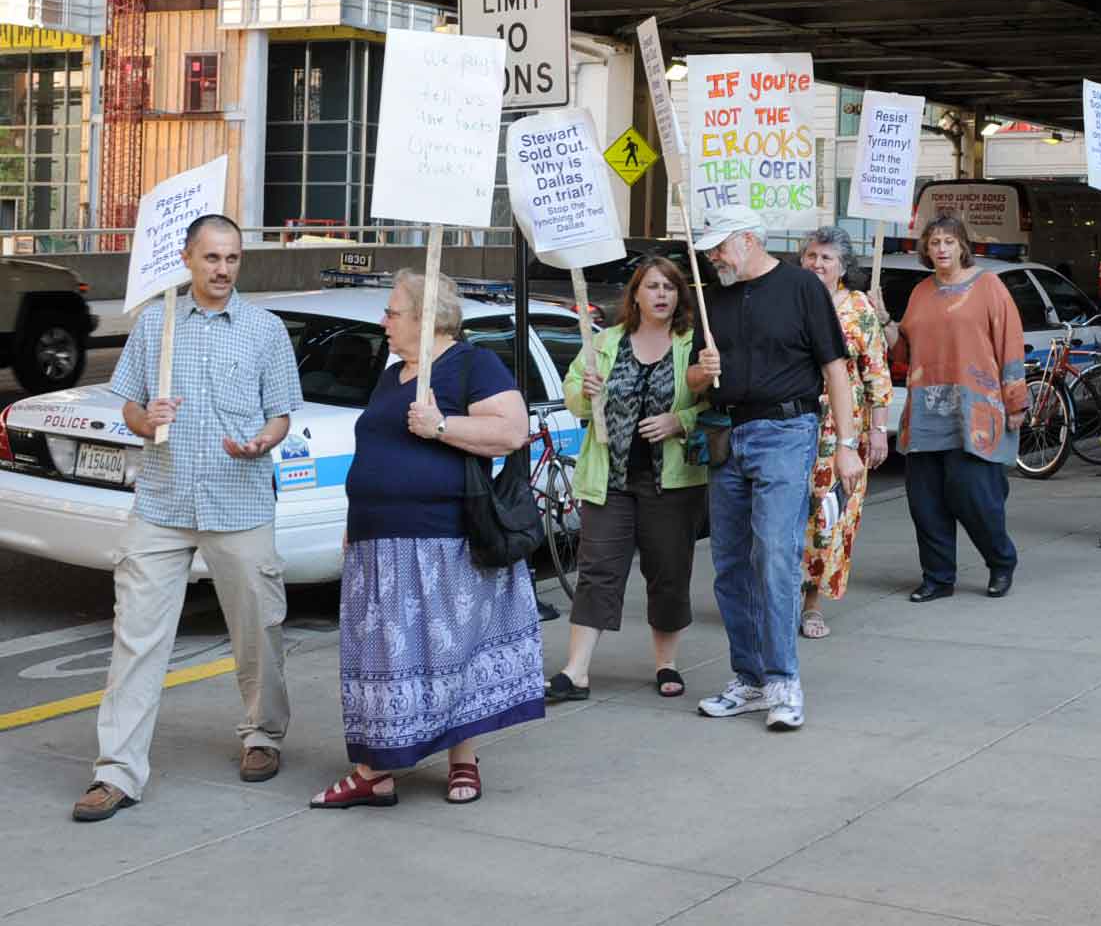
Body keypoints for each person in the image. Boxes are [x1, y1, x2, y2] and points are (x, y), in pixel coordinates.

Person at [73, 214, 304, 822]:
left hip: (241, 503)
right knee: (137, 638)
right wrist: (145, 419)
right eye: (211, 258)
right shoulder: (157, 322)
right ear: (188, 258)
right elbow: (128, 405)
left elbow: (281, 415)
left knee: (259, 629)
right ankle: (117, 771)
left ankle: (262, 735)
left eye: (231, 259)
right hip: (162, 502)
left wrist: (261, 440)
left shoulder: (264, 329)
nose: (222, 270)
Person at [309, 270, 542, 809]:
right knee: (386, 660)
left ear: (427, 317)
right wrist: (355, 517)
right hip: (378, 541)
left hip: (441, 540)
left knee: (451, 653)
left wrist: (440, 426)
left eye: (393, 312)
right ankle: (381, 768)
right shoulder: (393, 375)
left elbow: (511, 430)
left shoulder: (471, 364)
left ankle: (456, 761)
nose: (384, 321)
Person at [688, 205, 862, 731]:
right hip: (725, 432)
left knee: (776, 553)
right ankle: (751, 678)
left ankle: (783, 678)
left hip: (787, 430)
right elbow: (694, 380)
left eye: (720, 244)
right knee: (730, 561)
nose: (713, 254)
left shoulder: (801, 288)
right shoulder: (710, 295)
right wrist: (701, 371)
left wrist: (848, 442)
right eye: (711, 246)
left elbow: (835, 368)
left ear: (749, 240)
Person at [545, 257, 708, 703]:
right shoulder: (606, 341)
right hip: (609, 479)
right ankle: (576, 671)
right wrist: (586, 392)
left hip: (672, 481)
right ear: (635, 294)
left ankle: (666, 663)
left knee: (669, 571)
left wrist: (680, 421)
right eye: (652, 286)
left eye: (669, 287)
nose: (661, 295)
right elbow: (575, 399)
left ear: (680, 296)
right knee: (597, 571)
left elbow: (718, 405)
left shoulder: (694, 344)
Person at [873, 215, 1025, 603]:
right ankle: (938, 577)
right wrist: (884, 318)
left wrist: (1015, 401)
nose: (941, 248)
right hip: (925, 412)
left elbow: (1010, 344)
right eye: (934, 242)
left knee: (975, 497)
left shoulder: (989, 286)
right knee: (925, 503)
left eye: (948, 241)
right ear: (926, 249)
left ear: (962, 247)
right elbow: (903, 351)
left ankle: (1000, 561)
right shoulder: (921, 291)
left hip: (975, 410)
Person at [798, 227, 893, 639]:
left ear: (843, 266)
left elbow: (876, 372)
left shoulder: (858, 308)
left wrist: (878, 430)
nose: (817, 264)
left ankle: (812, 605)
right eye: (812, 256)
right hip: (791, 421)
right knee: (784, 514)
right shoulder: (788, 300)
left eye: (826, 258)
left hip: (843, 430)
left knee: (829, 516)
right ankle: (777, 596)